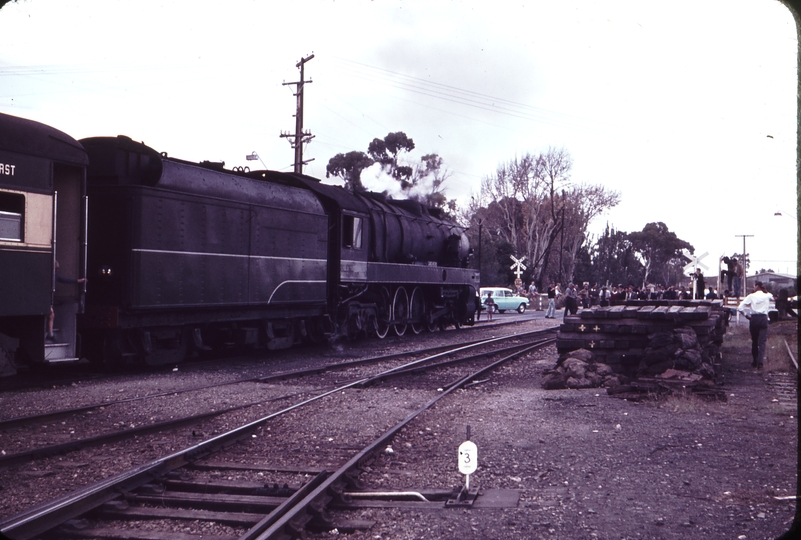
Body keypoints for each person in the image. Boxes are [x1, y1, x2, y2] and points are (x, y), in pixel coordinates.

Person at [47, 260, 87, 341]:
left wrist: (78, 281)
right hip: (45, 298)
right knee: (51, 314)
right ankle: (50, 334)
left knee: (51, 314)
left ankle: (50, 333)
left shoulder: (54, 276)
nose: (56, 270)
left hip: (47, 298)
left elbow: (64, 280)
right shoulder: (50, 276)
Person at [738, 281, 773, 369]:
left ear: (757, 286)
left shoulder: (751, 296)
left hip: (754, 319)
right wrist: (765, 290)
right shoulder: (767, 295)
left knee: (754, 341)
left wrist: (746, 316)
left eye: (754, 286)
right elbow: (773, 297)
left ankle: (755, 360)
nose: (753, 287)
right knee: (762, 342)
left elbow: (740, 307)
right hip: (763, 319)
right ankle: (760, 363)